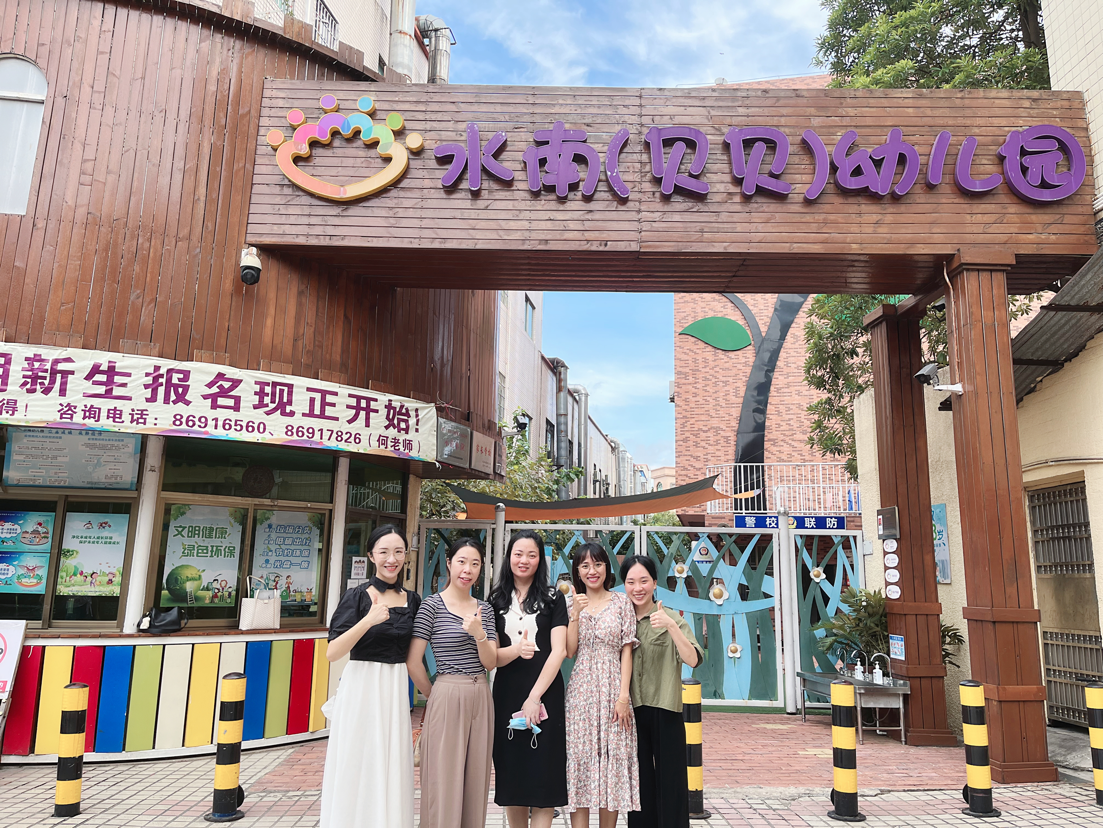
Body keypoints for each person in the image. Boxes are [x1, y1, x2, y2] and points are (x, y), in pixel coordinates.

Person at [320, 524, 421, 828]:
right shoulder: (356, 596)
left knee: (392, 760)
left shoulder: (413, 600)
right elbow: (333, 651)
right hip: (362, 687)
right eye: (384, 552)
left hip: (395, 688)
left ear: (405, 556)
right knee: (357, 758)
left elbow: (416, 654)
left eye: (399, 552)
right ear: (371, 556)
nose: (392, 559)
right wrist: (368, 621)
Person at [407, 537, 498, 828]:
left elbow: (491, 662)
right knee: (443, 780)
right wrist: (434, 694)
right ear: (449, 563)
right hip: (446, 690)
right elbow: (413, 661)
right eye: (461, 561)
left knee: (476, 780)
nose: (467, 569)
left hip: (481, 693)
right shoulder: (431, 606)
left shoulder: (485, 609)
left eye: (475, 564)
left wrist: (479, 634)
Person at [488, 529, 569, 828]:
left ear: (540, 560)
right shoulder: (495, 600)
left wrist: (534, 697)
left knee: (544, 776)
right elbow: (493, 657)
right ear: (509, 557)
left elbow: (559, 651)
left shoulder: (553, 598)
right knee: (512, 773)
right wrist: (514, 651)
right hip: (507, 693)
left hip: (546, 693)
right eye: (518, 554)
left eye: (531, 555)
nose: (524, 560)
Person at [620, 555, 703, 828]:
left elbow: (692, 659)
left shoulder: (670, 618)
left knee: (672, 782)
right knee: (639, 782)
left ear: (655, 583)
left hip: (665, 708)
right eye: (631, 582)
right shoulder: (621, 620)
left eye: (644, 581)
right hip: (631, 713)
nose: (638, 588)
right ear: (624, 585)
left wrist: (670, 625)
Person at [564, 541, 639, 828]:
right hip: (581, 692)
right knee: (581, 760)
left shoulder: (621, 602)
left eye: (597, 564)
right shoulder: (571, 604)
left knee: (613, 762)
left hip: (613, 688)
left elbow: (627, 650)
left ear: (606, 568)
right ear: (577, 571)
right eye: (585, 566)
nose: (592, 571)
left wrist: (623, 697)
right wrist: (575, 614)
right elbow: (570, 651)